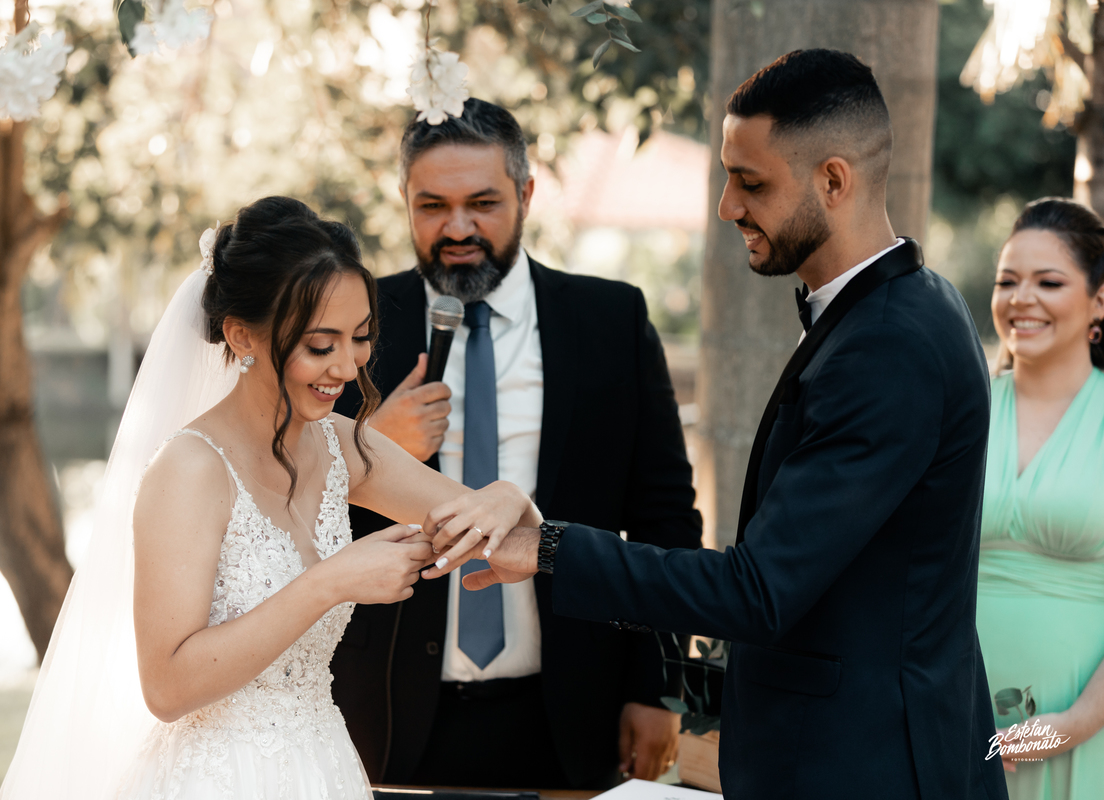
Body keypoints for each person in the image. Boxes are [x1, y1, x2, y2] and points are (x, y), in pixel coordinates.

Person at [425, 50, 1010, 799]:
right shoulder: (902, 306)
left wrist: (548, 547)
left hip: (869, 767)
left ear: (834, 181)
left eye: (751, 182)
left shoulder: (889, 344)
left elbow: (758, 591)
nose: (728, 207)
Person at [0, 196, 540, 800]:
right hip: (214, 780)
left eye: (360, 338)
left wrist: (510, 498)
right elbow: (167, 688)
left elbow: (499, 534)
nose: (347, 367)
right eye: (321, 345)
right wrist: (333, 580)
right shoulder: (190, 470)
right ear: (241, 335)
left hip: (323, 768)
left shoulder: (341, 445)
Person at [329, 98, 701, 789]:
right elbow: (287, 512)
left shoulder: (611, 320)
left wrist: (659, 688)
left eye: (483, 203)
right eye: (432, 205)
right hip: (382, 710)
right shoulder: (352, 324)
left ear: (526, 195)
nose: (457, 228)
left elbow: (666, 519)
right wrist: (370, 449)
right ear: (405, 200)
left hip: (574, 707)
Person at [975, 198, 1104, 799]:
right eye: (1007, 282)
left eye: (1048, 282)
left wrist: (1074, 723)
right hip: (955, 725)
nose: (1021, 299)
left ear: (1098, 301)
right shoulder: (962, 411)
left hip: (1087, 731)